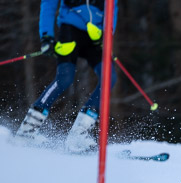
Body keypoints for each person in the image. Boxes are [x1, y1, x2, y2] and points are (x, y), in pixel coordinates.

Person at [15, 0, 118, 152]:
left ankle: (79, 134)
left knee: (109, 77)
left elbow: (112, 7)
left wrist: (106, 33)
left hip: (95, 35)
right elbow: (48, 4)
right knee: (64, 78)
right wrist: (46, 36)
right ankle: (27, 130)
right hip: (71, 29)